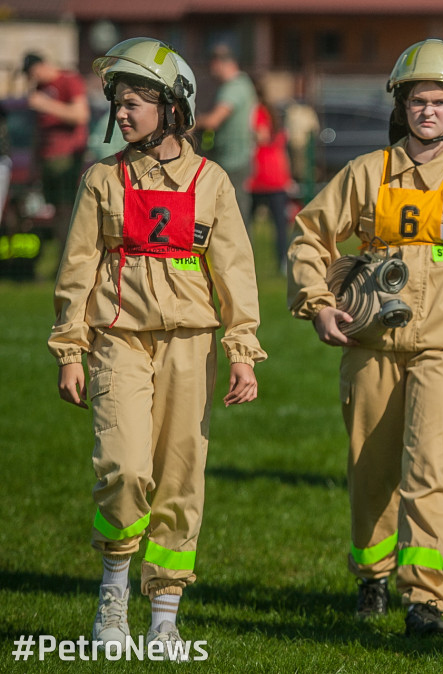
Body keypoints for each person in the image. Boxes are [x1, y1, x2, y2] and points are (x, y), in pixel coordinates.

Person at [287, 38, 443, 637]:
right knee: (371, 472)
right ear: (401, 108)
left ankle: (425, 598)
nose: (428, 112)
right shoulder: (364, 173)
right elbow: (308, 239)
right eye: (417, 101)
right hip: (370, 348)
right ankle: (371, 573)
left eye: (440, 102)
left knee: (428, 470)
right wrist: (319, 304)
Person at [48, 38, 265, 658]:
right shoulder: (100, 178)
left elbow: (236, 271)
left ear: (173, 108)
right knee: (123, 468)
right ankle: (114, 588)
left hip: (191, 346)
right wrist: (69, 349)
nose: (121, 113)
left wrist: (242, 349)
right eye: (118, 101)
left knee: (180, 476)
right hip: (116, 340)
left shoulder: (211, 181)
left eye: (136, 102)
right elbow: (78, 267)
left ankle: (164, 612)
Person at [23, 52, 90, 258]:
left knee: (67, 210)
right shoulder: (40, 89)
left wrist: (46, 104)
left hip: (67, 156)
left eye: (33, 73)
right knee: (56, 211)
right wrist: (34, 163)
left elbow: (81, 114)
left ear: (42, 65)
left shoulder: (69, 80)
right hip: (47, 157)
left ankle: (70, 258)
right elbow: (38, 129)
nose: (32, 78)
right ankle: (63, 257)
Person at [195, 44, 256, 226]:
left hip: (233, 161)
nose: (211, 69)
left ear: (220, 63)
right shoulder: (243, 83)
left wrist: (190, 123)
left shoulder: (233, 87)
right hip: (237, 159)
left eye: (212, 64)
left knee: (233, 216)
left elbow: (214, 120)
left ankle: (241, 254)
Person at [249, 83, 294, 271]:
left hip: (260, 176)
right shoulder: (273, 113)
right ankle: (283, 261)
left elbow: (261, 136)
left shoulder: (256, 111)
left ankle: (244, 261)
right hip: (277, 176)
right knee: (280, 225)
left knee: (244, 222)